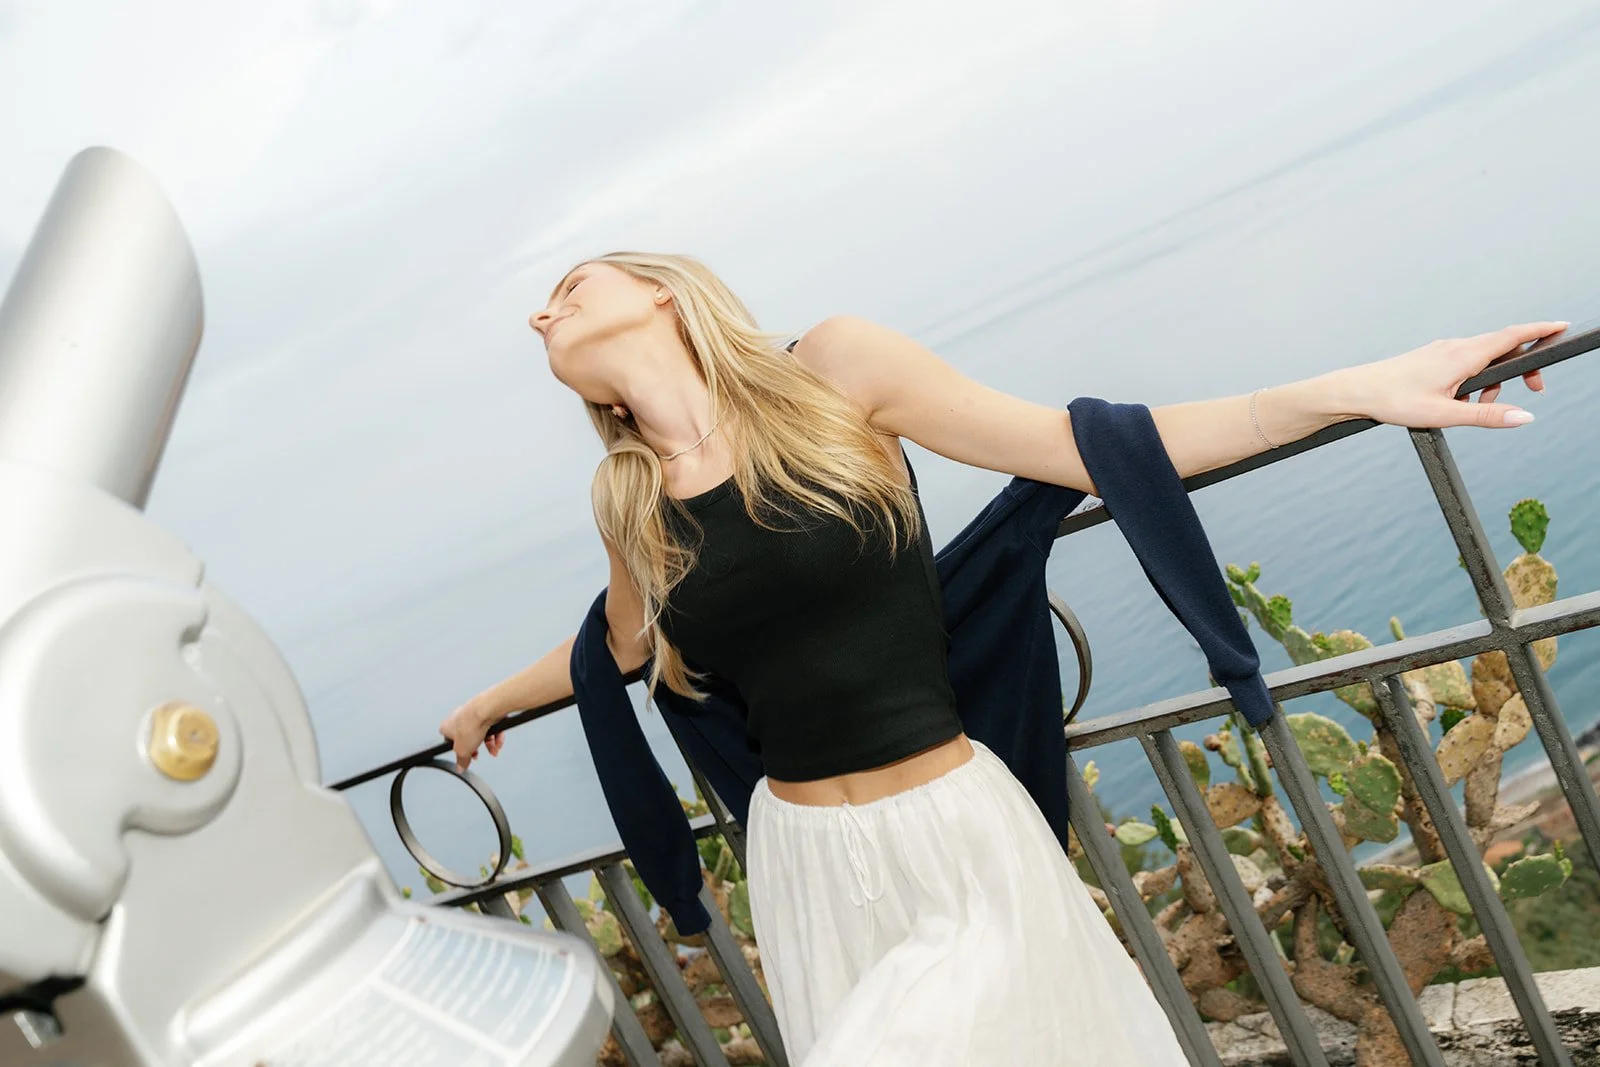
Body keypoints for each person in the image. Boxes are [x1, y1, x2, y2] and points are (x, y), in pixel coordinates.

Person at [440, 251, 1560, 1064]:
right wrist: (492, 699)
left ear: (662, 290)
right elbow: (622, 644)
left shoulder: (832, 369)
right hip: (802, 860)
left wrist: (1354, 389)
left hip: (952, 833)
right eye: (540, 309)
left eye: (571, 285)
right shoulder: (629, 495)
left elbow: (1082, 446)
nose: (543, 311)